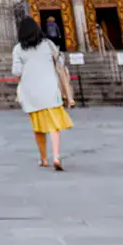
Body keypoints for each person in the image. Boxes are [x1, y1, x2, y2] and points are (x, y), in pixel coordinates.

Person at [12, 15, 73, 172]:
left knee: (38, 127)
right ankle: (56, 157)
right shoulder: (48, 44)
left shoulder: (18, 49)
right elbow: (60, 62)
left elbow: (16, 71)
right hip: (50, 89)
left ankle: (44, 159)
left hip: (31, 92)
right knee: (54, 126)